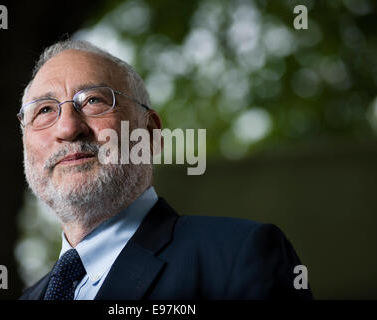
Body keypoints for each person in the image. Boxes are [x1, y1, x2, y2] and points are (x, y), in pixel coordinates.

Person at [18, 39, 313, 300]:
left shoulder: (240, 257)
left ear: (149, 133)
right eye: (44, 110)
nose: (68, 127)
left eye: (94, 100)